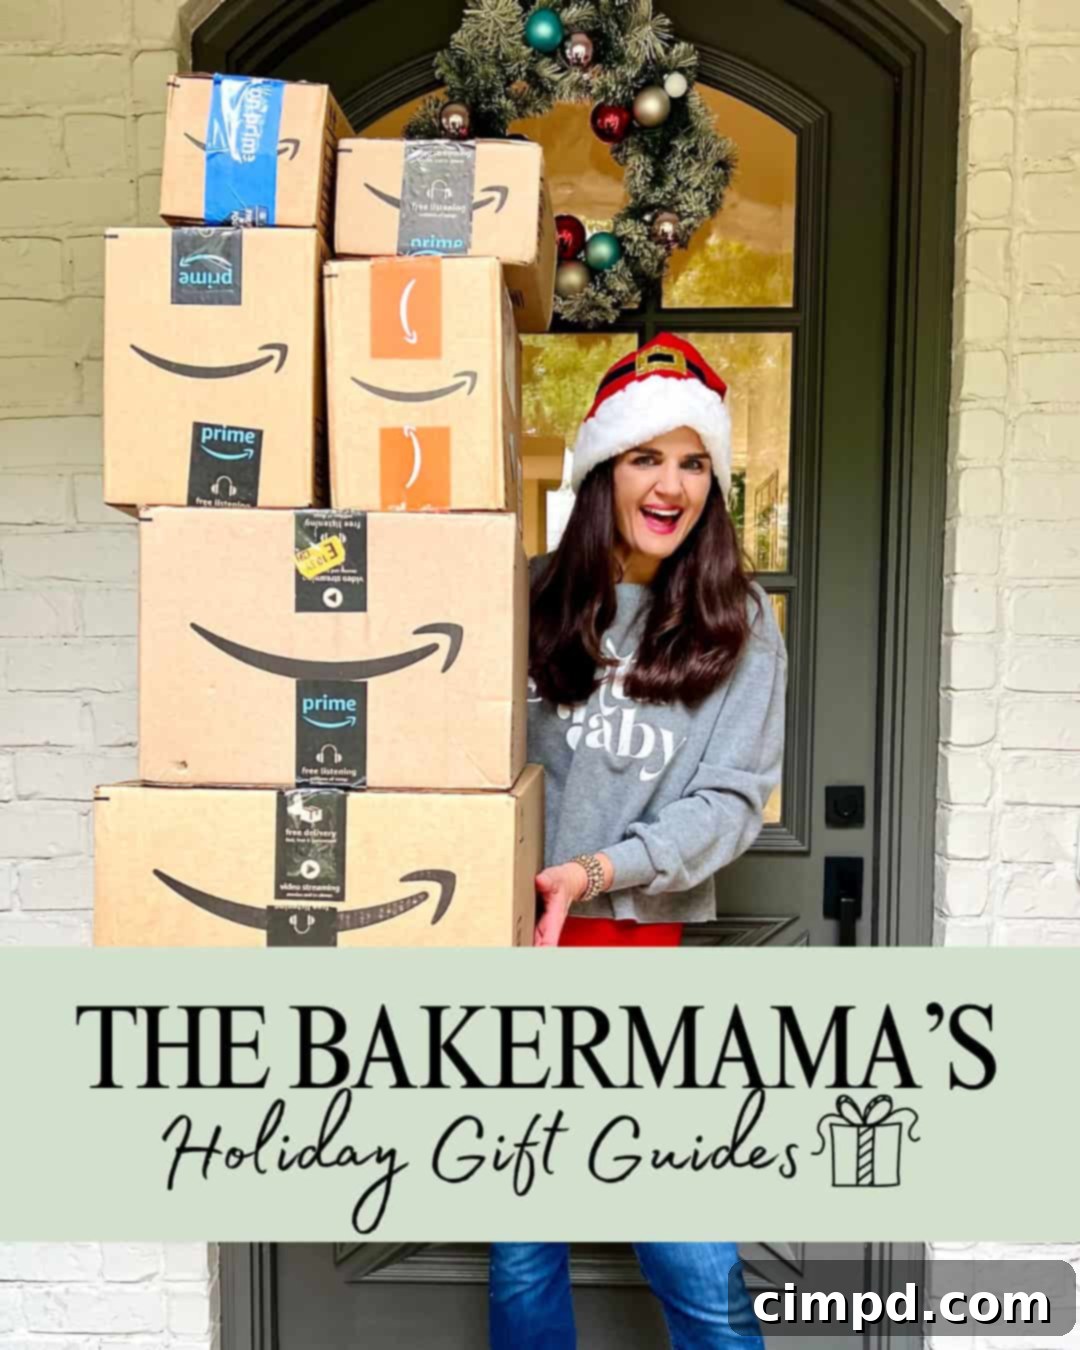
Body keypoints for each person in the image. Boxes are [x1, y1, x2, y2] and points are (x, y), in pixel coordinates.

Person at [488, 333, 786, 1348]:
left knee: (690, 1252)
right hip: (507, 962)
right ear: (604, 467)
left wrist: (600, 870)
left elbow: (731, 803)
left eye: (694, 460)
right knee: (524, 1242)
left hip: (628, 963)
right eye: (644, 457)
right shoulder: (523, 597)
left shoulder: (735, 619)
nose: (671, 484)